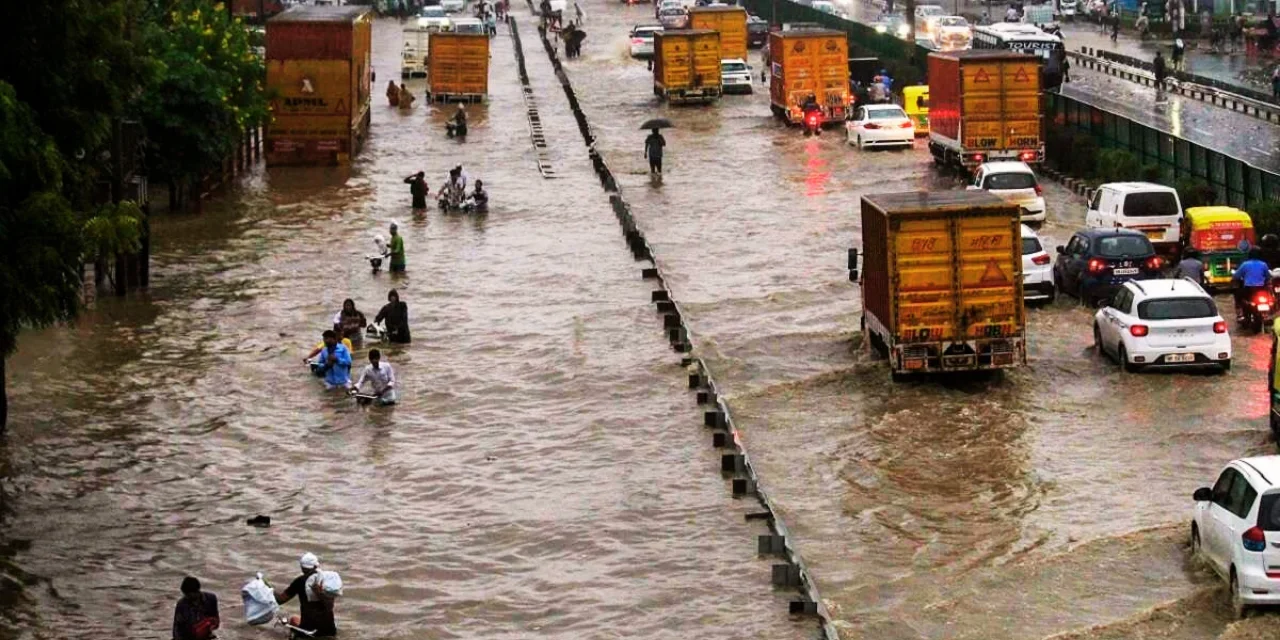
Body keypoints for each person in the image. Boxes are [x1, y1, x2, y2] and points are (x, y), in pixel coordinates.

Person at [275, 553, 338, 637]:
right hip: (330, 630)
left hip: (309, 630)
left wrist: (269, 590)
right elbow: (330, 604)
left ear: (302, 567)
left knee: (294, 619)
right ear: (316, 566)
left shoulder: (300, 581)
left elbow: (280, 600)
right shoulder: (326, 580)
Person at [1233, 248, 1272, 318]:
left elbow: (1236, 276)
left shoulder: (1245, 264)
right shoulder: (1263, 264)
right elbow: (1268, 276)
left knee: (1238, 297)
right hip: (1261, 288)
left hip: (1248, 288)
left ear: (1249, 255)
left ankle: (1240, 313)